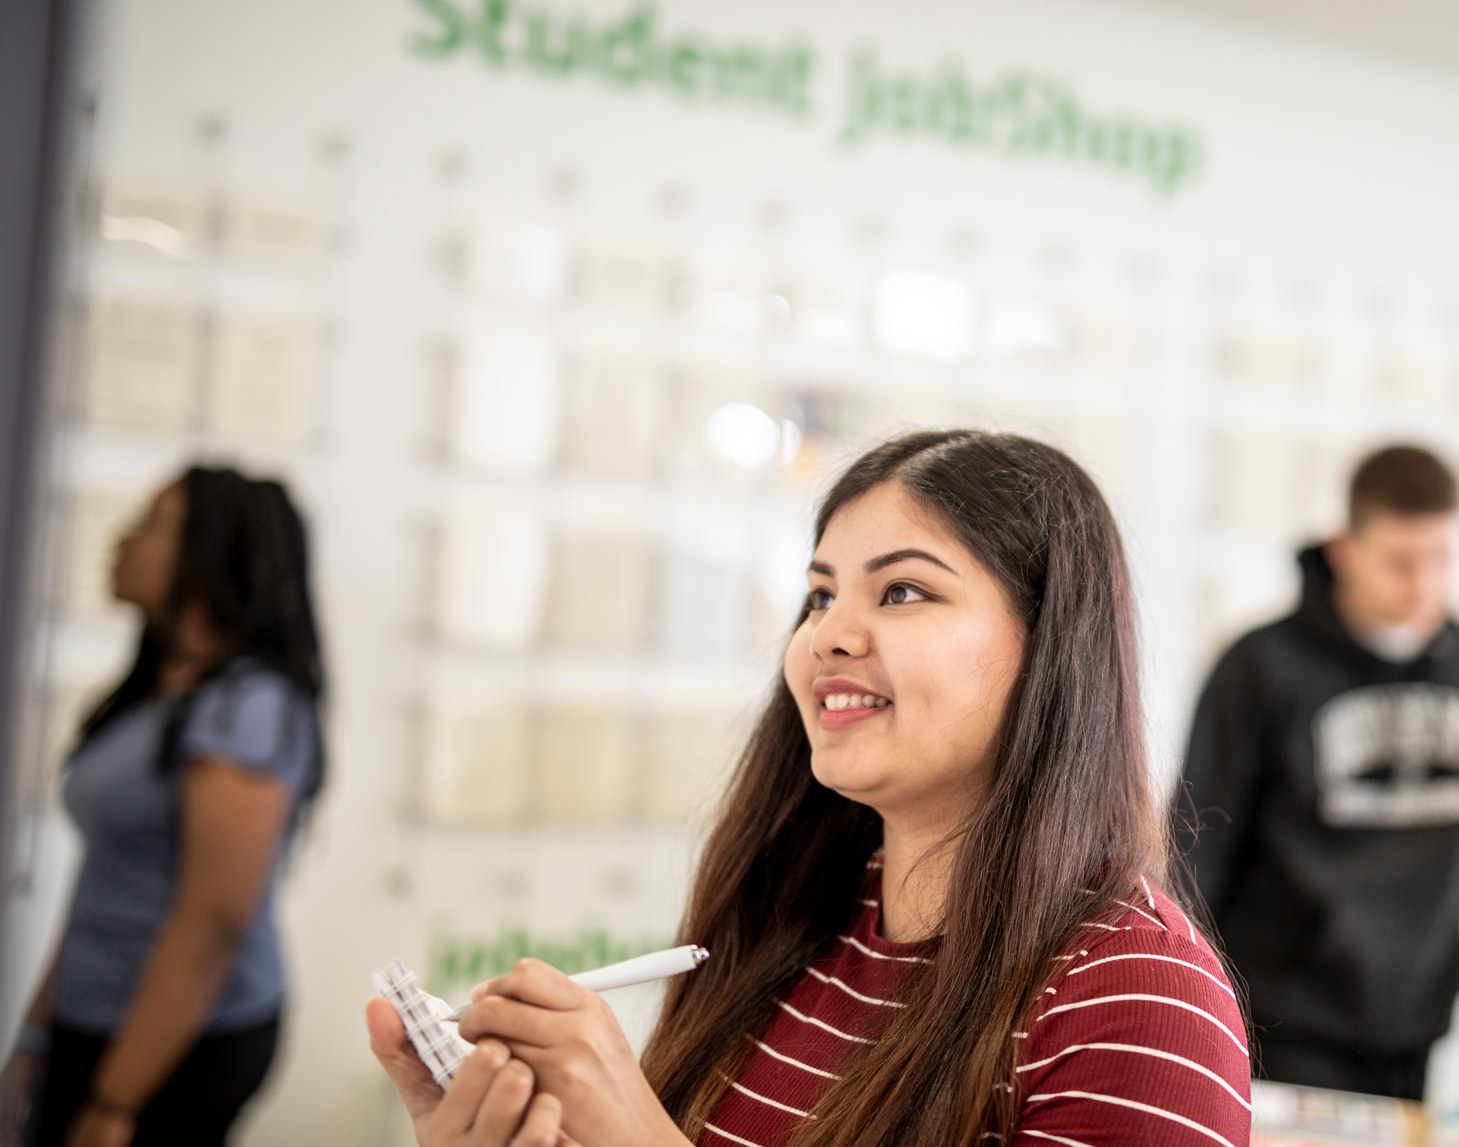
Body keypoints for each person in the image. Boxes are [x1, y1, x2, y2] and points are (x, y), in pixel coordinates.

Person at [368, 430, 1253, 1147]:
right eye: (820, 595)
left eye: (903, 591)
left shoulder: (1138, 998)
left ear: (1050, 648)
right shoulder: (796, 916)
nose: (828, 635)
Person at [1175, 443, 1459, 1099]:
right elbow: (1199, 843)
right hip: (1279, 1015)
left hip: (1413, 1015)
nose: (1423, 587)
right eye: (1401, 562)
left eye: (1441, 560)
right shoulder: (1259, 667)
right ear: (1345, 549)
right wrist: (1185, 994)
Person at [0, 467, 326, 1147]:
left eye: (152, 521)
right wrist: (37, 1033)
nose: (123, 537)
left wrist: (113, 1104)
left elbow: (211, 927)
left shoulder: (248, 709)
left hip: (176, 1047)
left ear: (208, 555)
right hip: (97, 1021)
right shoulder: (159, 697)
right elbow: (105, 882)